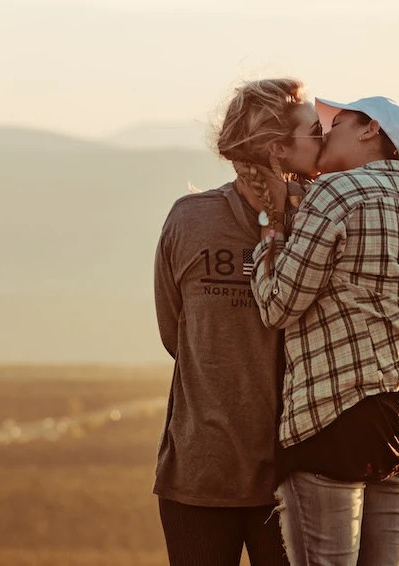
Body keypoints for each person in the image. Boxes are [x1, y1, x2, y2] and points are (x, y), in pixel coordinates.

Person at [251, 95, 399, 565]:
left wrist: (269, 244)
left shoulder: (337, 193)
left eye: (336, 123)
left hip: (336, 414)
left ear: (369, 129)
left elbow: (278, 306)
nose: (324, 131)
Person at [152, 78, 324, 566]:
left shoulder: (320, 221)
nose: (326, 138)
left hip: (295, 477)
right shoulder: (191, 220)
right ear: (278, 149)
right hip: (200, 477)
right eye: (315, 131)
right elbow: (175, 335)